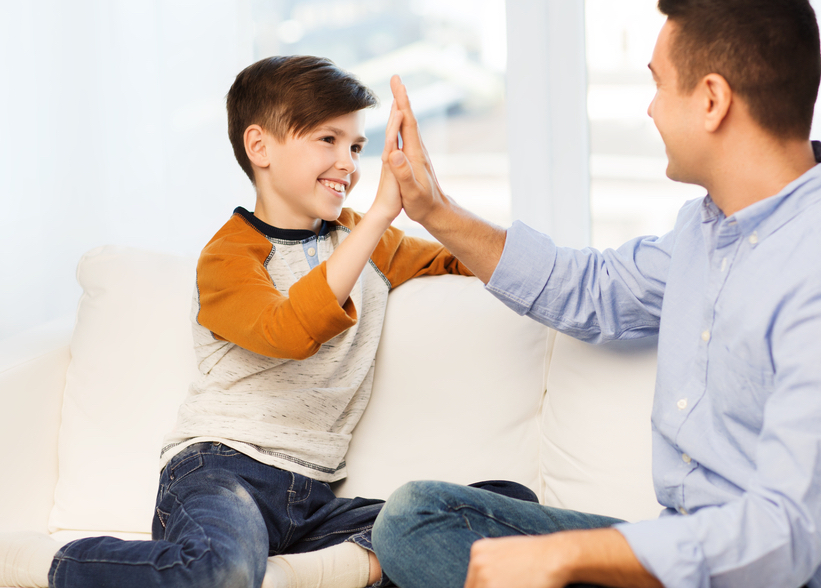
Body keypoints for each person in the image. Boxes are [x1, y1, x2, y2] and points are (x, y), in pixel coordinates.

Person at [369, 0, 821, 588]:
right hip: (694, 559)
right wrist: (435, 211)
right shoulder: (707, 233)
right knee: (418, 518)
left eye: (658, 86)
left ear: (711, 99)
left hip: (796, 575)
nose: (649, 110)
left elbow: (784, 537)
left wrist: (566, 557)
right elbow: (590, 290)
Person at [0, 55, 534, 588]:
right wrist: (376, 218)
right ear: (260, 148)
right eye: (327, 140)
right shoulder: (230, 256)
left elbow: (469, 257)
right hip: (221, 472)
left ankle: (326, 566)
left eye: (356, 146)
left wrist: (431, 204)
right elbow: (286, 331)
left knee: (505, 513)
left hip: (316, 497)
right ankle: (41, 564)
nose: (347, 163)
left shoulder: (369, 244)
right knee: (218, 573)